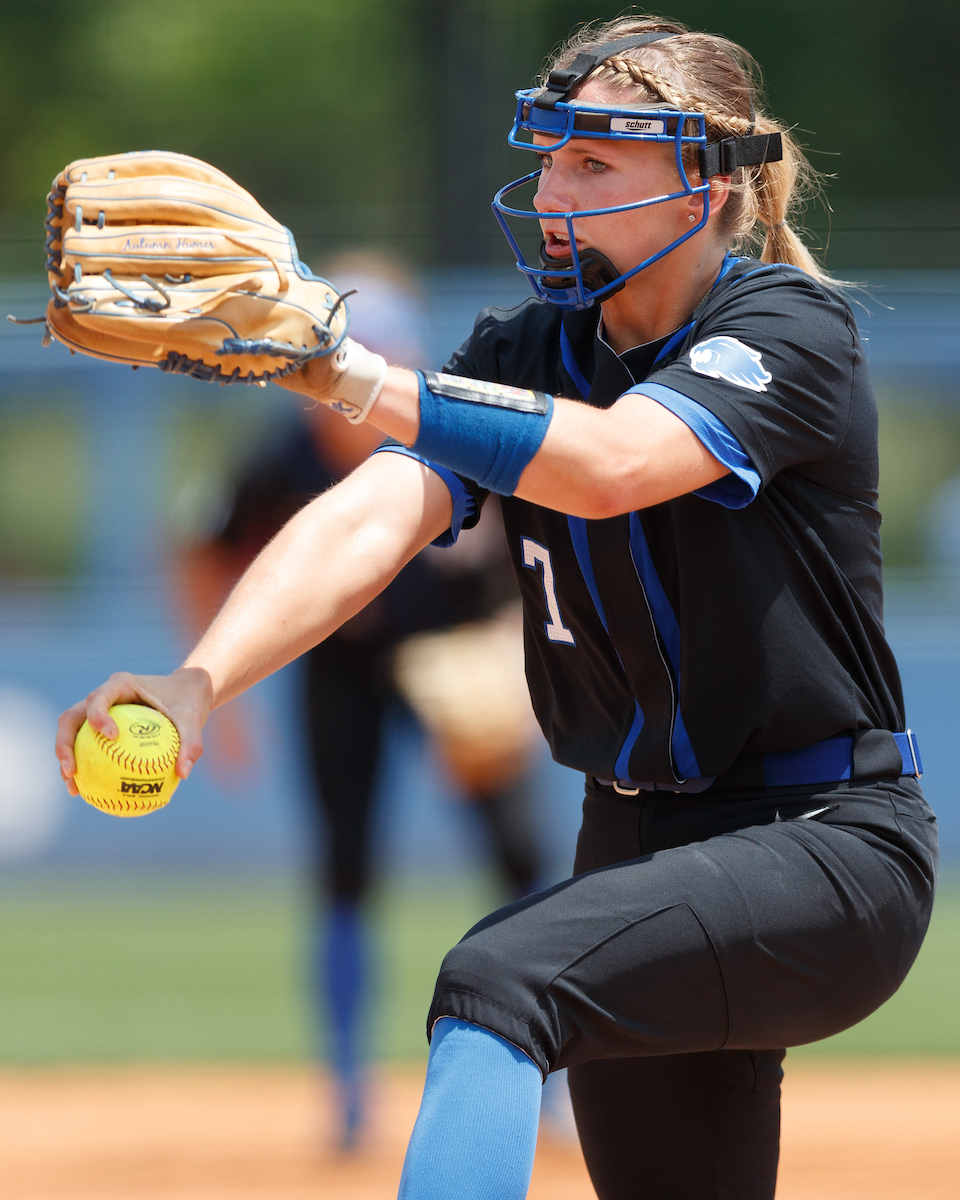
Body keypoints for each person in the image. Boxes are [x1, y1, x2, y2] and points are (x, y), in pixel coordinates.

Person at [57, 16, 938, 1200]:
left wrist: (355, 376)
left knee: (497, 983)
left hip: (823, 844)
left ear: (709, 182)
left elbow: (617, 462)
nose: (552, 191)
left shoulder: (788, 327)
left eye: (593, 163)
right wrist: (198, 679)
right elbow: (371, 515)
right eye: (549, 159)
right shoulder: (527, 349)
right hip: (634, 840)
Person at [176, 257, 542, 1148]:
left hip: (460, 661)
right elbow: (199, 552)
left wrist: (523, 678)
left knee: (521, 863)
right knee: (345, 868)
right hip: (339, 669)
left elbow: (542, 557)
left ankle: (556, 1086)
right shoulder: (284, 456)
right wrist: (213, 691)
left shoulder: (458, 422)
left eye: (381, 350)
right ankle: (346, 1091)